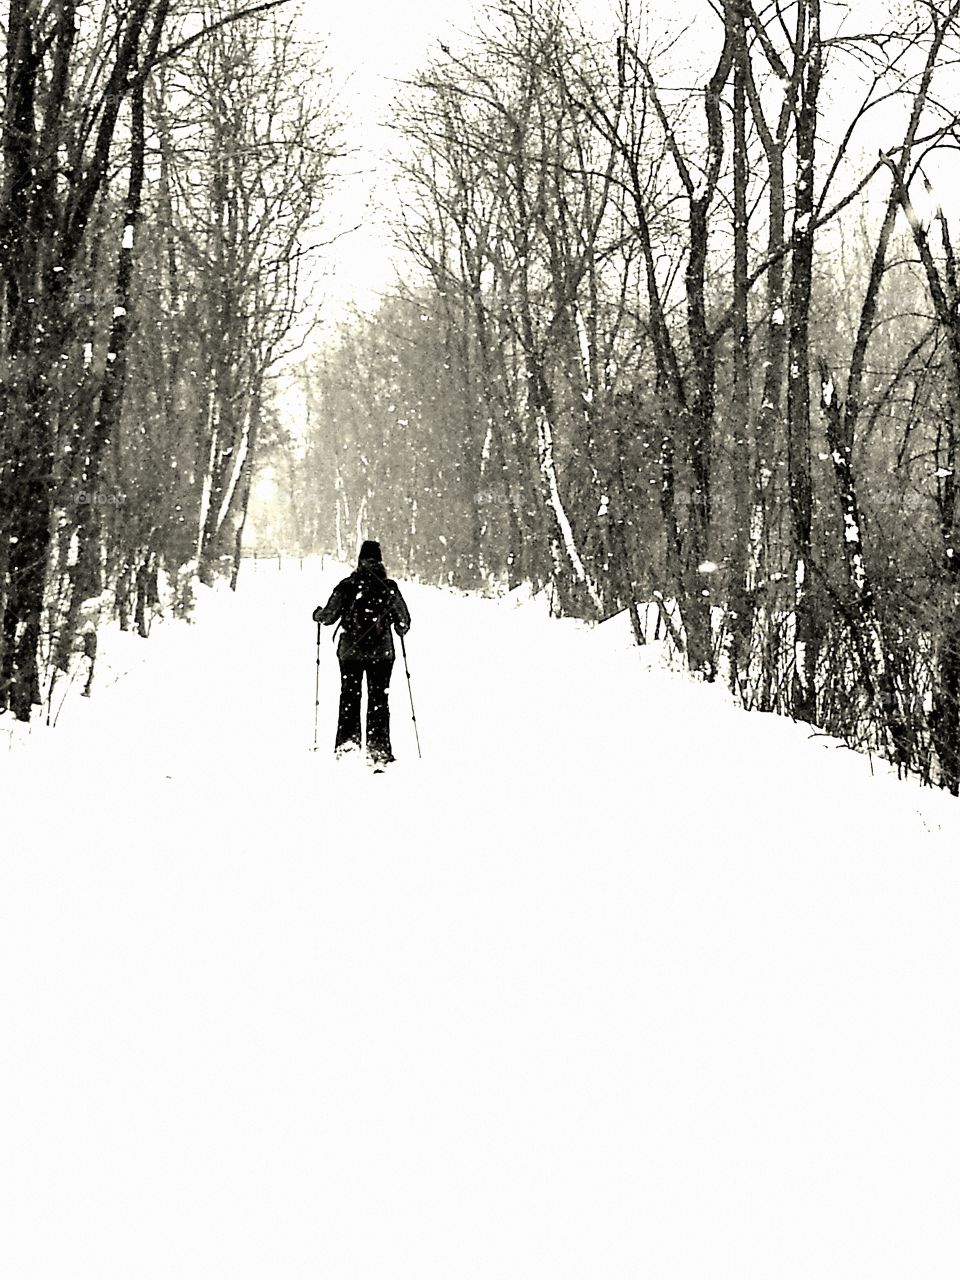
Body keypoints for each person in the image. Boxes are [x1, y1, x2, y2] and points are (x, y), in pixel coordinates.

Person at [312, 540, 411, 768]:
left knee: (349, 696)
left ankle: (348, 744)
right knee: (379, 699)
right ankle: (378, 750)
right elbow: (404, 622)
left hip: (350, 653)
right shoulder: (389, 587)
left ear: (360, 560)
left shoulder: (348, 586)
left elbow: (328, 616)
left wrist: (317, 614)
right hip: (382, 654)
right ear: (380, 560)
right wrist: (396, 626)